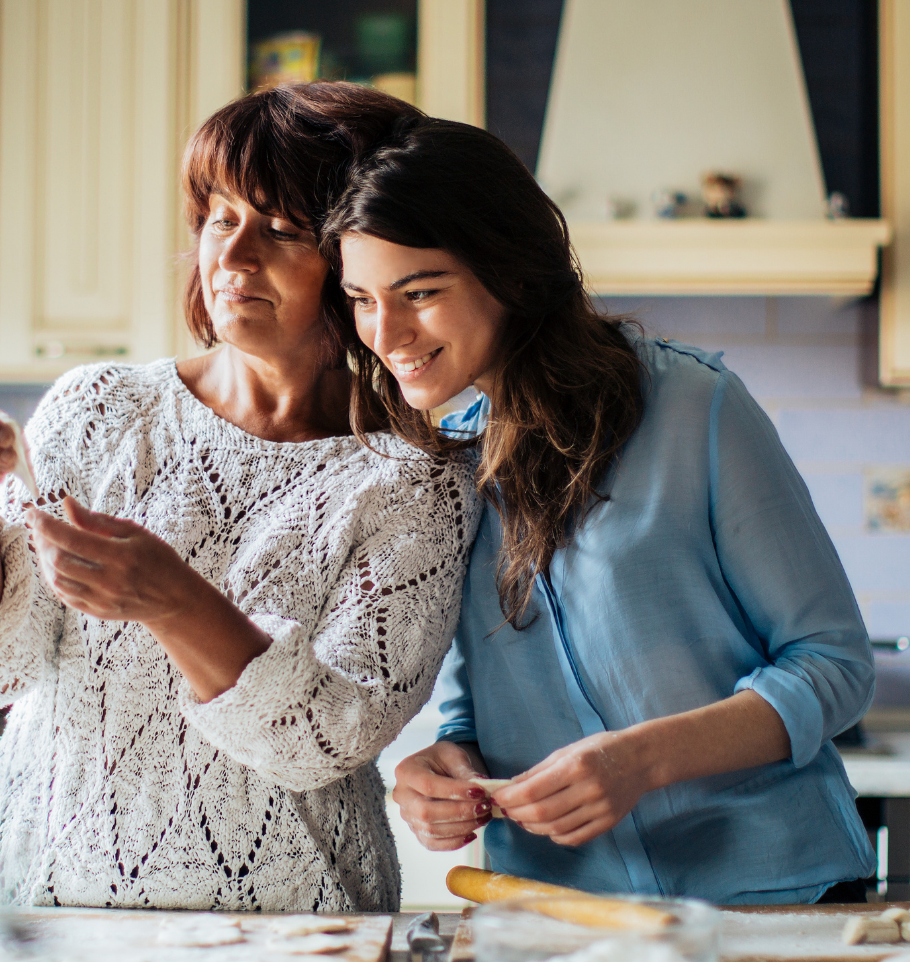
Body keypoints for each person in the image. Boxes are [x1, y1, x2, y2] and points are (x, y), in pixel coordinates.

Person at [0, 84, 480, 912]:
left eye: (280, 231)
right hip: (40, 904)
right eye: (218, 218)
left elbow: (328, 736)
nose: (232, 260)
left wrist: (171, 601)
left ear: (356, 258)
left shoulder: (413, 477)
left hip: (292, 926)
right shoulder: (100, 410)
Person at [325, 118, 875, 904]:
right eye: (360, 299)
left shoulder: (695, 406)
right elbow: (474, 699)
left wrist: (639, 762)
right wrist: (446, 765)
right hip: (559, 912)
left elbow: (835, 665)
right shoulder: (435, 461)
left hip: (774, 894)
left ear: (509, 270)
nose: (387, 333)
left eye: (421, 292)